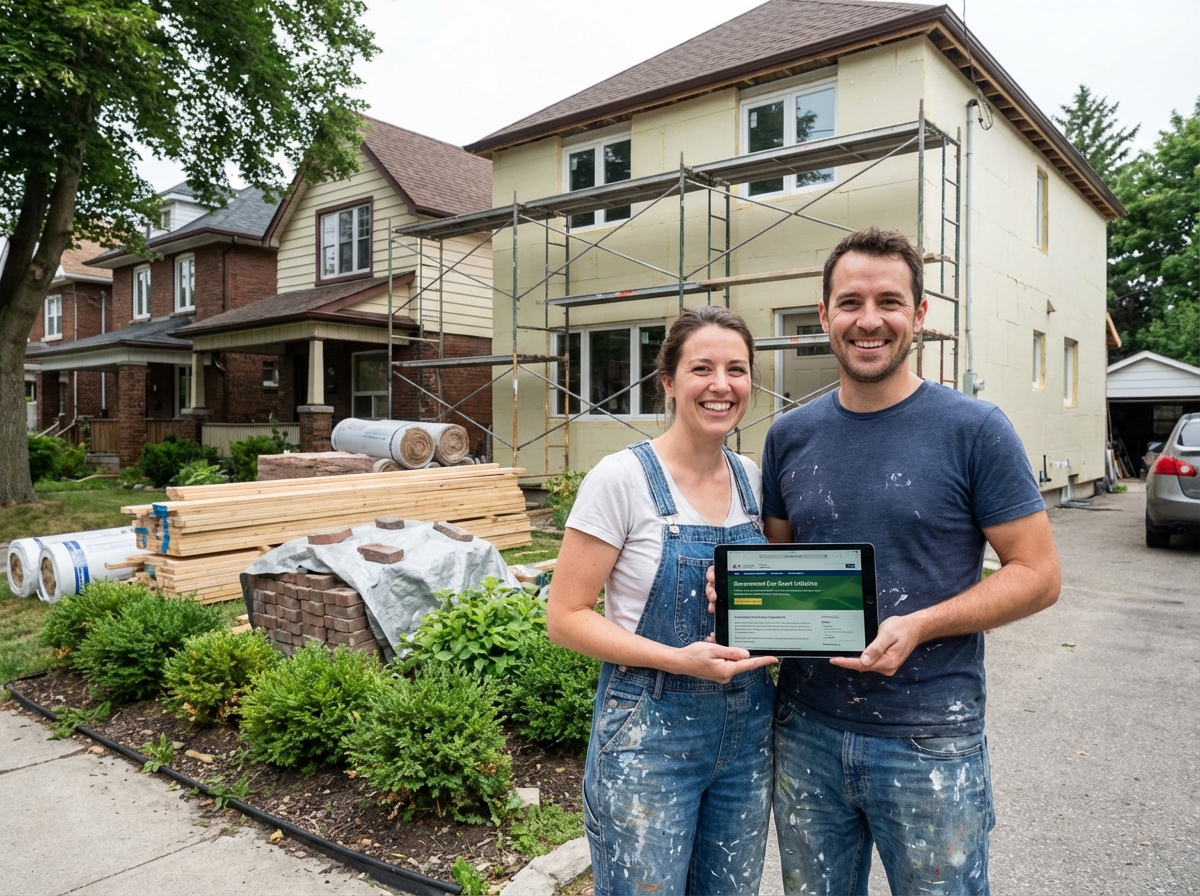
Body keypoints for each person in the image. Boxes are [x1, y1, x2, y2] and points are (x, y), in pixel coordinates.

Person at [757, 227, 1060, 895]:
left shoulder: (975, 430)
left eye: (889, 301)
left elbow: (1038, 576)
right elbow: (779, 564)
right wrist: (741, 597)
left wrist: (921, 624)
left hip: (930, 737)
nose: (869, 320)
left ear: (919, 314)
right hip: (805, 731)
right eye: (850, 302)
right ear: (825, 315)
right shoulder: (789, 435)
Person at [547, 305, 778, 896]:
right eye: (702, 368)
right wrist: (679, 660)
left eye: (736, 369)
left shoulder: (754, 481)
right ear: (669, 382)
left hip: (747, 739)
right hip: (649, 737)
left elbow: (779, 600)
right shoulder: (621, 479)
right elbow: (565, 618)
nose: (721, 385)